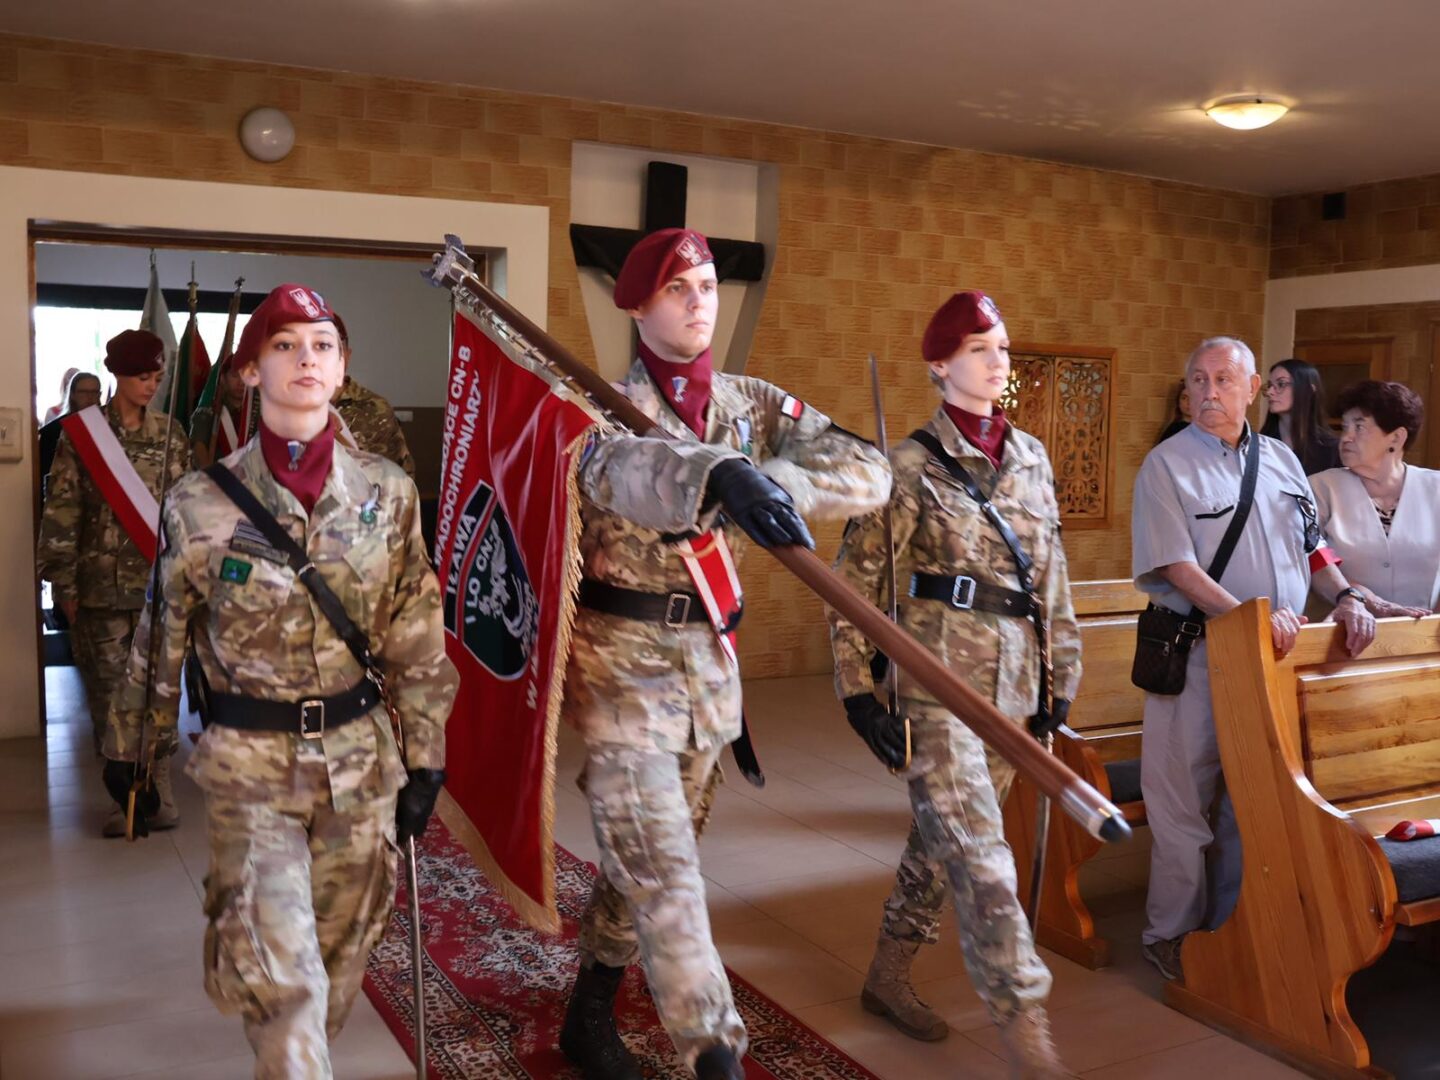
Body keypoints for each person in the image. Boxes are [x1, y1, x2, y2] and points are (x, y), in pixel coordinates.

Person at [100, 283, 458, 1078]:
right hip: (250, 768)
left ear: (343, 368)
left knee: (336, 965)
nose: (306, 359)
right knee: (283, 980)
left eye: (322, 345)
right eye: (285, 345)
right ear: (249, 371)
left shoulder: (387, 494)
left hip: (360, 763)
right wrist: (134, 742)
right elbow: (164, 626)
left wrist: (427, 754)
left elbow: (415, 627)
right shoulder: (198, 503)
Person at [560, 229, 890, 1080]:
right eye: (678, 288)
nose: (699, 301)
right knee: (664, 863)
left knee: (651, 852)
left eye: (707, 285)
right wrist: (717, 477)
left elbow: (868, 468)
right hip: (623, 666)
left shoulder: (752, 402)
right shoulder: (597, 405)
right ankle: (715, 1052)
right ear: (638, 305)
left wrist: (782, 483)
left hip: (709, 667)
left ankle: (589, 1007)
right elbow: (624, 471)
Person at [829, 291, 1082, 1076]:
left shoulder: (1031, 458)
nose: (997, 360)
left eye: (1001, 346)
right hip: (935, 686)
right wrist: (857, 694)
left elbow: (1050, 577)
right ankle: (1025, 1025)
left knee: (941, 845)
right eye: (979, 348)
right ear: (939, 365)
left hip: (1013, 689)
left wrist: (1061, 676)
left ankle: (886, 974)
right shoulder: (905, 467)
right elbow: (854, 584)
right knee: (981, 854)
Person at [1132, 336, 1376, 983]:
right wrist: (1248, 616)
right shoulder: (1166, 465)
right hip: (1196, 653)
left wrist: (1346, 595)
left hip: (1271, 661)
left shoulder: (1282, 460)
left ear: (1251, 391)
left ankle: (1234, 932)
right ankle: (1171, 935)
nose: (1208, 392)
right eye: (1198, 380)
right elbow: (1176, 565)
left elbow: (1313, 546)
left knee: (1254, 800)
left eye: (1222, 380)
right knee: (1183, 805)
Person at [36, 331, 190, 837]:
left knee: (159, 693)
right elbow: (63, 510)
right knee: (110, 697)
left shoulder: (171, 434)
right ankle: (121, 797)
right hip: (100, 589)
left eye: (157, 377)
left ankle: (159, 789)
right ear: (117, 376)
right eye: (142, 376)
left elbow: (185, 509)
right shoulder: (83, 436)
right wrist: (63, 584)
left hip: (158, 588)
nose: (151, 386)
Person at [1309, 380, 1439, 616]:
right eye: (1345, 427)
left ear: (1396, 437)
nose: (1345, 437)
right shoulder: (1320, 488)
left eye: (1359, 427)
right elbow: (1312, 557)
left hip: (1425, 630)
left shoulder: (1435, 488)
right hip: (1348, 627)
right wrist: (1365, 600)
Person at [329, 313, 416, 479]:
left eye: (334, 348)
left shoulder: (375, 409)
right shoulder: (288, 408)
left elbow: (401, 478)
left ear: (347, 356)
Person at [1259, 358, 1341, 475]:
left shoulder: (1332, 449)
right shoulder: (1260, 444)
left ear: (1309, 390)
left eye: (1281, 384)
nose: (1269, 392)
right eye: (1270, 385)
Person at [39, 369, 103, 499]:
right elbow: (46, 473)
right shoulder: (54, 431)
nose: (89, 397)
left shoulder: (108, 427)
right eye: (83, 392)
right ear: (73, 394)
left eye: (94, 392)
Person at [1156, 379, 1190, 443]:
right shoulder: (1173, 430)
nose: (1188, 402)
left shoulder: (1204, 429)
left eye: (1193, 397)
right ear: (1178, 402)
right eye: (1184, 398)